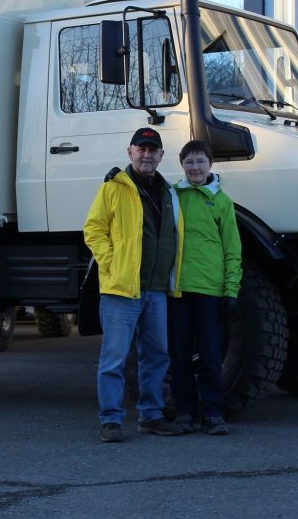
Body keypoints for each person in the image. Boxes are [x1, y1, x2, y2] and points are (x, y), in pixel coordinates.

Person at [83, 127, 184, 443]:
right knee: (114, 359)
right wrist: (111, 264)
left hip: (156, 290)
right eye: (141, 148)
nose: (147, 154)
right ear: (130, 152)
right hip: (122, 290)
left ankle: (150, 416)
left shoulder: (170, 193)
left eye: (153, 149)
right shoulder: (114, 187)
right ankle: (111, 420)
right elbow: (93, 230)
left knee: (157, 357)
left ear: (161, 156)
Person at [170, 139, 242, 436]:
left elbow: (232, 250)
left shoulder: (222, 202)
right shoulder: (172, 195)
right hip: (178, 290)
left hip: (211, 292)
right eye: (189, 162)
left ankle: (213, 413)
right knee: (180, 355)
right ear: (182, 165)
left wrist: (231, 290)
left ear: (210, 165)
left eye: (200, 161)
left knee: (211, 357)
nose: (195, 168)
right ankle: (185, 412)